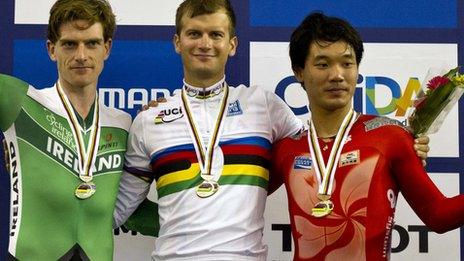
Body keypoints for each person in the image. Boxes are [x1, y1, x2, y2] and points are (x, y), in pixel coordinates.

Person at [271, 12, 464, 261]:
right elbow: (233, 198)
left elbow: (438, 215)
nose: (337, 75)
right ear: (299, 72)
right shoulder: (287, 148)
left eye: (347, 63)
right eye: (323, 64)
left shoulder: (391, 137)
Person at [0, 0, 132, 259]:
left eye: (92, 43)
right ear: (52, 49)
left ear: (106, 48)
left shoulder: (124, 124)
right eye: (70, 44)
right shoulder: (20, 103)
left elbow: (129, 207)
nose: (81, 55)